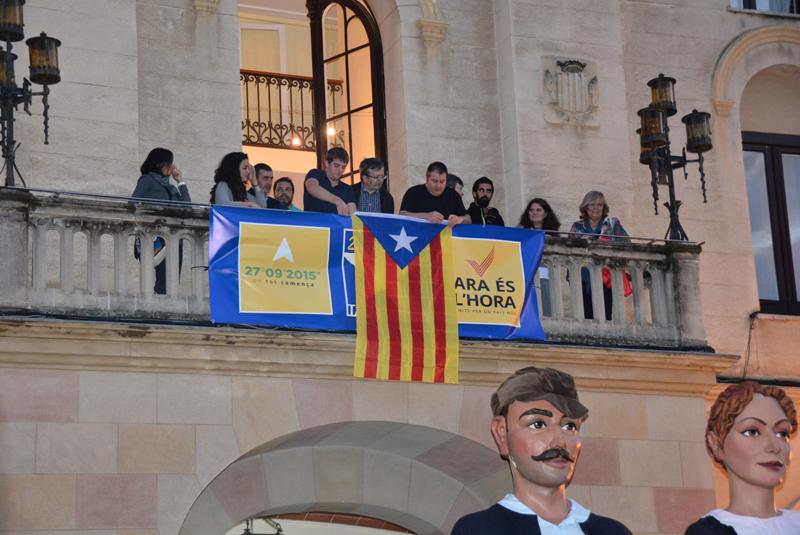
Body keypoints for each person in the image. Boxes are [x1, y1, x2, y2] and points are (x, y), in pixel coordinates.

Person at [451, 366, 632, 535]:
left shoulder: (613, 531)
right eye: (538, 424)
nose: (559, 441)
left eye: (569, 426)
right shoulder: (477, 530)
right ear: (501, 434)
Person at [685, 381, 799, 534]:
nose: (774, 446)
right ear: (716, 444)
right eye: (752, 432)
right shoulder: (708, 531)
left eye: (782, 434)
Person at [130, 147, 191, 295]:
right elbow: (133, 203)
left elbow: (188, 208)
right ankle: (160, 310)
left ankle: (164, 308)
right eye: (169, 163)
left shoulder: (171, 187)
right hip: (158, 239)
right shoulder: (147, 180)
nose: (171, 167)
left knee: (172, 282)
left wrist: (180, 182)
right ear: (160, 163)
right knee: (163, 282)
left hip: (175, 240)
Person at [568, 191, 629, 321]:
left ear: (604, 207)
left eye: (600, 204)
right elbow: (568, 250)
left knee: (605, 312)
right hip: (583, 276)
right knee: (585, 312)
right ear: (585, 207)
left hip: (606, 274)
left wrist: (608, 242)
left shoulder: (612, 224)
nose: (596, 208)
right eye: (592, 204)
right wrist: (581, 241)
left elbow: (626, 243)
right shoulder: (577, 226)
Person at [519, 198, 560, 317]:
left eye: (538, 210)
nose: (534, 213)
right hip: (527, 276)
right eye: (531, 210)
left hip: (545, 275)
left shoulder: (552, 234)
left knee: (546, 309)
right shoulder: (522, 232)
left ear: (545, 213)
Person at [399, 162, 470, 226]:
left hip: (445, 238)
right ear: (427, 178)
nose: (438, 186)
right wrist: (426, 216)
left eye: (442, 181)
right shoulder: (413, 192)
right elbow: (402, 214)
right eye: (434, 181)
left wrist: (459, 219)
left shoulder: (453, 195)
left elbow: (468, 219)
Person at [304, 146, 356, 215]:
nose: (340, 170)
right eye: (336, 165)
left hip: (336, 226)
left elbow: (353, 215)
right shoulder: (315, 174)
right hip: (314, 225)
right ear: (327, 163)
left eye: (343, 167)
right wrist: (338, 201)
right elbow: (312, 187)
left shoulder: (347, 189)